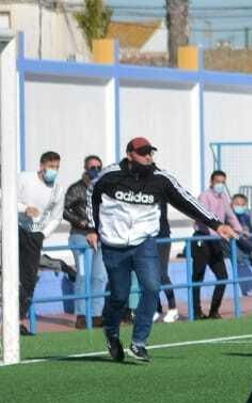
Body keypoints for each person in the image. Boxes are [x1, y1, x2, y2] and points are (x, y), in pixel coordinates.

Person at [90, 137, 236, 363]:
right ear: (129, 154)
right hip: (113, 244)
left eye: (150, 152)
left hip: (144, 242)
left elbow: (187, 201)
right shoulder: (109, 175)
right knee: (119, 295)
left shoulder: (161, 179)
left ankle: (139, 343)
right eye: (142, 153)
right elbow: (92, 197)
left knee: (151, 286)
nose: (148, 156)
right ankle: (111, 333)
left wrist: (217, 224)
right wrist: (92, 228)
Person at [15, 150, 64, 335]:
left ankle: (18, 321)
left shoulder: (58, 189)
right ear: (42, 166)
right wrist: (24, 209)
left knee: (28, 280)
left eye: (57, 167)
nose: (54, 171)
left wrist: (43, 234)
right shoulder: (24, 179)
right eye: (52, 167)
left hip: (35, 236)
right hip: (14, 229)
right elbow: (5, 197)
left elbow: (56, 217)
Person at [188, 169, 244, 320]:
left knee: (222, 276)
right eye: (218, 182)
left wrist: (238, 230)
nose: (220, 185)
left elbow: (230, 215)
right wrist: (220, 230)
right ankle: (196, 311)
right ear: (211, 182)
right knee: (197, 276)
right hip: (202, 238)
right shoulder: (204, 197)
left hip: (216, 240)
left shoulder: (224, 197)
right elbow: (203, 217)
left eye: (223, 182)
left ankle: (214, 310)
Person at [62, 155, 107, 327]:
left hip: (100, 237)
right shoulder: (76, 188)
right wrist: (81, 222)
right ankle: (81, 315)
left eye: (98, 167)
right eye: (92, 167)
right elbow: (64, 209)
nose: (95, 170)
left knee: (100, 276)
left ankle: (96, 315)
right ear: (85, 168)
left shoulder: (103, 188)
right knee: (82, 275)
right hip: (80, 236)